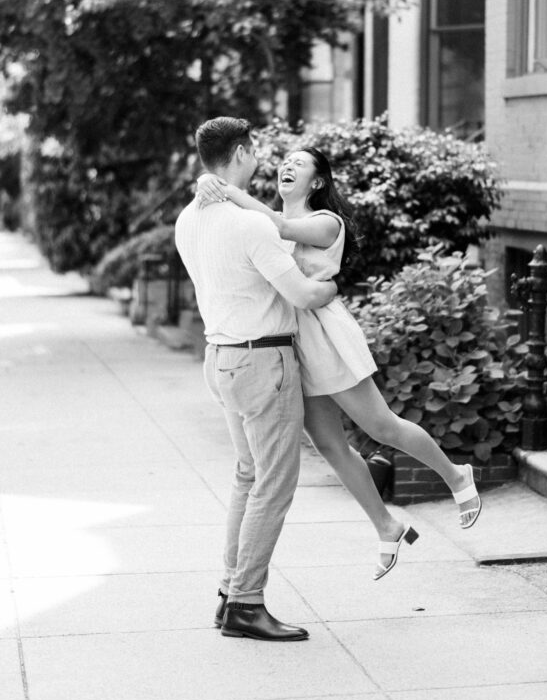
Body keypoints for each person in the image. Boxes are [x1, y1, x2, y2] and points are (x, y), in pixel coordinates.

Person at [196, 145, 482, 581]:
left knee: (381, 426)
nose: (287, 166)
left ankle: (457, 476)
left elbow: (279, 225)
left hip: (324, 337)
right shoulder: (263, 216)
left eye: (300, 163)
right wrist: (209, 186)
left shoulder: (324, 222)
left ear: (319, 182)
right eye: (284, 161)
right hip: (289, 343)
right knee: (331, 447)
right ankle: (386, 525)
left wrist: (223, 190)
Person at [175, 118, 337, 642]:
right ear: (242, 152)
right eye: (257, 150)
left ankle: (230, 592)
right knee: (274, 482)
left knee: (248, 476)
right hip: (263, 362)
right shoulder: (251, 226)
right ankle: (246, 603)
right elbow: (302, 295)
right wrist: (331, 286)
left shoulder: (188, 220)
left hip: (221, 357)